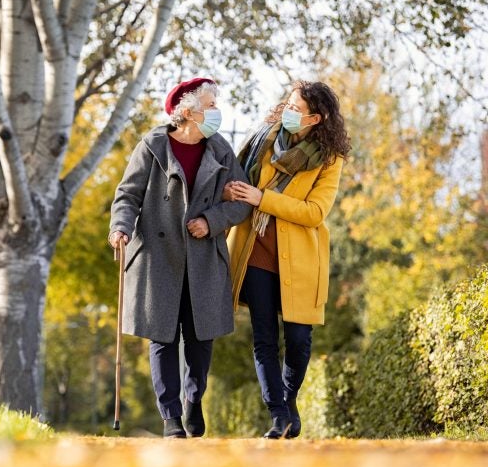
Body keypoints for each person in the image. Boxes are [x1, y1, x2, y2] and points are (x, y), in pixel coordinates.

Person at [109, 77, 252, 438]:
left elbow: (241, 203)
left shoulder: (220, 149)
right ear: (186, 112)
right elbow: (127, 195)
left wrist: (211, 220)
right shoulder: (152, 146)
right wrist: (120, 227)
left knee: (201, 338)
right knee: (163, 337)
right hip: (160, 257)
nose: (216, 113)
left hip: (203, 256)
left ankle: (194, 399)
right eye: (210, 106)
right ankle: (170, 415)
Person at [224, 80, 351, 439]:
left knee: (298, 340)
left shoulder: (329, 159)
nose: (289, 112)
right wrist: (232, 191)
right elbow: (236, 179)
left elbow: (314, 212)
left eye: (298, 109)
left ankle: (289, 399)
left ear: (317, 118)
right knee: (264, 338)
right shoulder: (263, 140)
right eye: (289, 104)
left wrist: (260, 198)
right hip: (255, 252)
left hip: (299, 259)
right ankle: (278, 414)